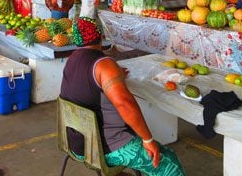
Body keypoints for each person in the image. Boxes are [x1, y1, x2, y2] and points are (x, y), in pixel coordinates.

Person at [60, 17, 186, 176]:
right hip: (105, 148)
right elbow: (125, 104)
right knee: (169, 162)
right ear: (100, 36)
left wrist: (113, 74)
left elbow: (91, 82)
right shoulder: (104, 65)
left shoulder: (72, 60)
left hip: (76, 144)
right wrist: (148, 140)